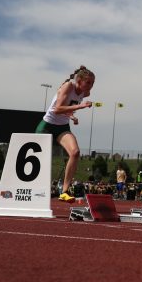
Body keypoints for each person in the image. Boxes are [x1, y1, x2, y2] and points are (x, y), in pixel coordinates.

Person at [36, 65, 95, 203]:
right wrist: (79, 106)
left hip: (62, 127)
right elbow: (57, 109)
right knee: (39, 159)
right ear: (79, 80)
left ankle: (65, 191)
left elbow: (67, 107)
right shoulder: (69, 86)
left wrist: (71, 116)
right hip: (47, 126)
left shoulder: (85, 93)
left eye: (93, 83)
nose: (91, 86)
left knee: (75, 153)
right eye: (88, 82)